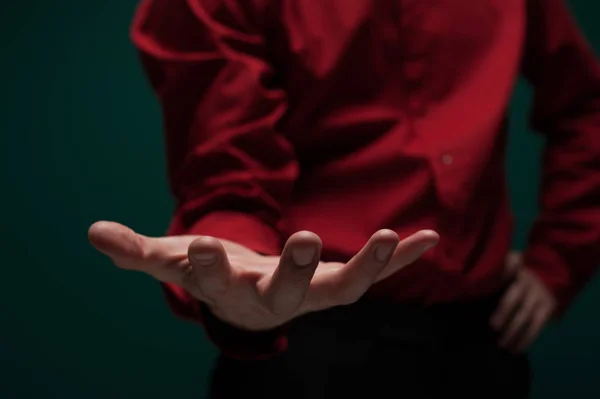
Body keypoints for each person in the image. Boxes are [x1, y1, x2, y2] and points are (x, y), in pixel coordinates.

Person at [88, 0, 600, 397]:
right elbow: (227, 166)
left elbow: (585, 105)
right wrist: (241, 285)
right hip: (306, 344)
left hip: (482, 340)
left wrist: (559, 258)